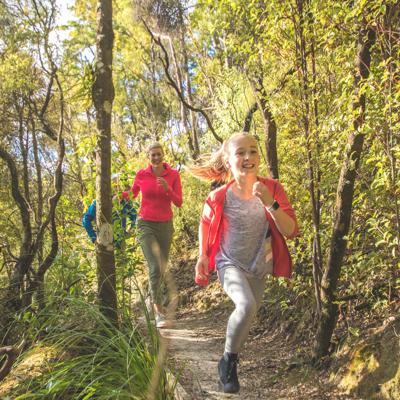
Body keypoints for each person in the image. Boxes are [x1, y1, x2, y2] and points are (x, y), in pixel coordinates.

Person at [189, 132, 299, 394]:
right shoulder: (219, 197)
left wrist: (270, 204)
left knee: (249, 315)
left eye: (253, 151)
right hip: (229, 263)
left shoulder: (272, 189)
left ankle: (228, 359)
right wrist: (203, 255)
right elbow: (205, 223)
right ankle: (229, 362)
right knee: (246, 304)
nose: (248, 157)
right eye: (240, 152)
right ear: (228, 161)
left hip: (259, 264)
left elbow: (291, 229)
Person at [132, 142, 183, 328]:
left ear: (163, 155)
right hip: (145, 223)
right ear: (148, 157)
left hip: (165, 225)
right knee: (155, 267)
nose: (156, 157)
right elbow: (132, 195)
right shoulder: (141, 175)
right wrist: (116, 198)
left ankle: (151, 299)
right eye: (152, 155)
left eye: (158, 154)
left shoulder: (173, 175)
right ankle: (158, 311)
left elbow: (179, 202)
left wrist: (167, 189)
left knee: (161, 268)